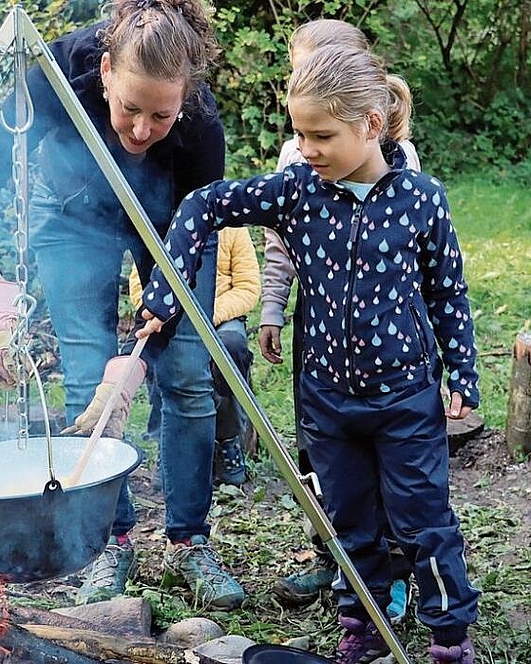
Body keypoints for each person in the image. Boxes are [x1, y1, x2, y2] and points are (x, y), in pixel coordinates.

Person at [137, 45, 481, 664]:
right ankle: (366, 622)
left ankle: (449, 638)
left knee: (423, 522)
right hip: (325, 398)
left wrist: (463, 373)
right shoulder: (297, 191)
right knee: (346, 522)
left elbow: (447, 292)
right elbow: (200, 206)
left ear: (370, 125)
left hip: (406, 397)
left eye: (321, 135)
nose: (306, 148)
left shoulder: (421, 198)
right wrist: (167, 292)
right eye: (298, 133)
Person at [0, 0, 245, 611]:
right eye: (130, 108)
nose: (139, 130)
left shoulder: (200, 127)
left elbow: (188, 244)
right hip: (72, 217)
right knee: (86, 381)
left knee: (185, 377)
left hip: (173, 231)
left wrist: (144, 347)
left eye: (161, 115)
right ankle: (109, 540)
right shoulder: (49, 81)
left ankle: (188, 542)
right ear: (104, 71)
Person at [259, 18, 420, 621]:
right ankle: (336, 556)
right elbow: (281, 245)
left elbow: (415, 254)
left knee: (387, 460)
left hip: (385, 347)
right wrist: (274, 306)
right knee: (322, 450)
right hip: (319, 333)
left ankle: (396, 566)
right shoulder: (296, 155)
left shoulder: (397, 158)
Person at [129, 226, 261, 485]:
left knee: (231, 345)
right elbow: (139, 286)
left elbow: (247, 287)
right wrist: (173, 316)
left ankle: (227, 440)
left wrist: (203, 320)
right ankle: (167, 445)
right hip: (170, 316)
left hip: (220, 317)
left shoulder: (233, 228)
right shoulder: (159, 225)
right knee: (160, 349)